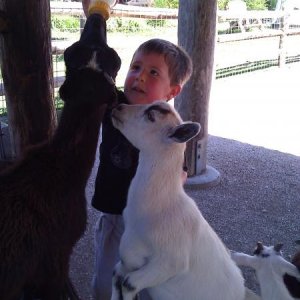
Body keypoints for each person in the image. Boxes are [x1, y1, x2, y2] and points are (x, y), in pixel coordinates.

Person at [91, 38, 193, 300]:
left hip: (151, 226)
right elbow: (96, 75)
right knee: (105, 286)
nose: (140, 77)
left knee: (151, 288)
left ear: (172, 91)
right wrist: (97, 17)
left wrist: (177, 183)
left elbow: (180, 171)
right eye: (135, 67)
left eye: (153, 72)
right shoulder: (114, 105)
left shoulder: (167, 127)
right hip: (115, 215)